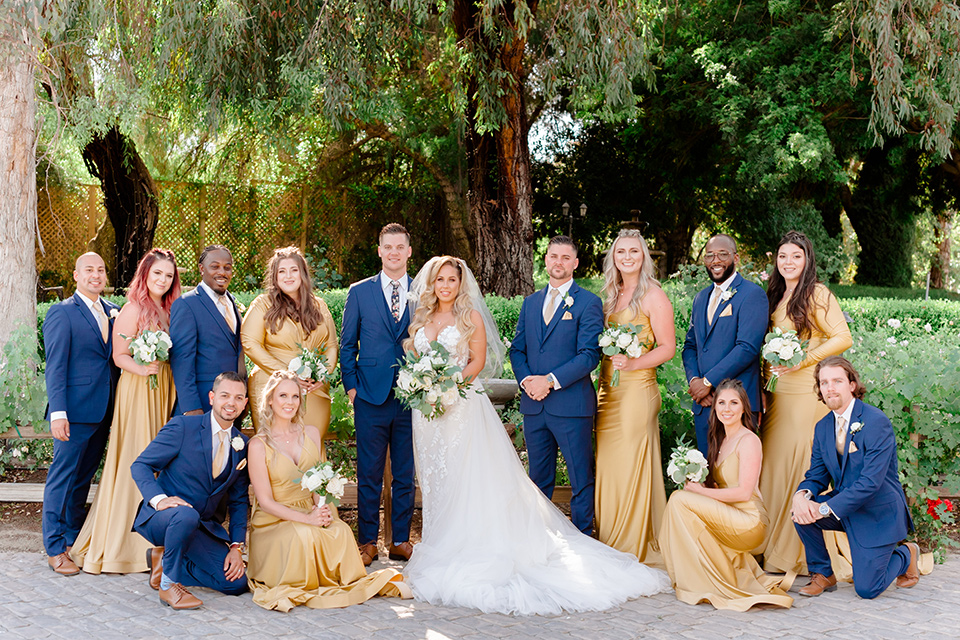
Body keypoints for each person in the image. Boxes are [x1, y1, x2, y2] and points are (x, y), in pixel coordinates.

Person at [404, 256, 671, 615]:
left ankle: (577, 536)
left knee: (562, 476)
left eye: (452, 279)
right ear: (432, 284)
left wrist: (450, 387)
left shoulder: (477, 316)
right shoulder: (436, 316)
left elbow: (481, 361)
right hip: (430, 414)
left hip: (463, 405)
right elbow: (518, 349)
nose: (446, 285)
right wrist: (424, 387)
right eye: (440, 280)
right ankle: (441, 542)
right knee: (441, 480)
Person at [246, 371, 411, 611]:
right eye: (283, 395)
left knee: (340, 531)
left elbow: (318, 481)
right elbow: (265, 501)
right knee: (302, 536)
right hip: (273, 519)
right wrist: (306, 519)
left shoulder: (311, 433)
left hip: (308, 508)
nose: (290, 402)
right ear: (270, 400)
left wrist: (320, 511)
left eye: (295, 396)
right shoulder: (258, 445)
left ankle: (333, 575)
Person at [72, 249, 181, 574]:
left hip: (163, 390)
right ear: (145, 275)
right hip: (138, 391)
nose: (162, 280)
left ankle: (156, 537)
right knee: (139, 455)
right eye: (157, 274)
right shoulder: (133, 309)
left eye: (168, 275)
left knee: (162, 461)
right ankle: (128, 545)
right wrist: (142, 368)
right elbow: (119, 356)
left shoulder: (170, 309)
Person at [757, 231, 852, 575]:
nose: (788, 262)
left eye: (795, 256)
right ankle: (768, 541)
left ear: (807, 259)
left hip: (803, 392)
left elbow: (843, 337)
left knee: (798, 461)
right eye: (782, 256)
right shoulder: (776, 294)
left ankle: (796, 549)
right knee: (773, 463)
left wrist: (804, 359)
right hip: (777, 391)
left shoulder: (818, 293)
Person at [659, 380, 793, 611]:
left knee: (680, 500)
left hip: (750, 520)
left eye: (734, 402)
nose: (727, 408)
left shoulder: (749, 440)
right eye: (721, 402)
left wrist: (702, 493)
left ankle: (694, 576)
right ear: (715, 408)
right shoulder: (720, 440)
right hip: (730, 514)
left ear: (743, 408)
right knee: (682, 498)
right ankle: (695, 573)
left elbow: (743, 492)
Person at [792, 356, 919, 599]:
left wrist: (824, 508)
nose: (830, 388)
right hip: (845, 508)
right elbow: (817, 475)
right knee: (801, 514)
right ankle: (823, 574)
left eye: (837, 381)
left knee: (867, 589)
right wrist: (802, 496)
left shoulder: (875, 421)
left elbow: (871, 483)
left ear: (852, 385)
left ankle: (907, 554)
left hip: (877, 513)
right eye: (824, 382)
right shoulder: (822, 427)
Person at [130, 372, 250, 609]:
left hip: (199, 526)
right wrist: (159, 499)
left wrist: (236, 546)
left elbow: (238, 501)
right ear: (212, 397)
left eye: (238, 398)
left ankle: (163, 561)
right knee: (186, 514)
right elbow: (141, 465)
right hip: (163, 519)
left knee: (235, 584)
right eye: (225, 395)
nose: (231, 403)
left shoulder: (242, 445)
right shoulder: (183, 426)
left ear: (245, 403)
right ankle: (168, 584)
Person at [510, 236, 604, 535]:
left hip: (571, 406)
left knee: (580, 478)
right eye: (553, 256)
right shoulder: (531, 302)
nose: (558, 262)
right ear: (546, 260)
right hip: (534, 406)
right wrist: (527, 381)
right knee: (538, 479)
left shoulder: (589, 302)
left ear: (575, 263)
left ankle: (583, 538)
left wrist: (549, 381)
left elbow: (589, 355)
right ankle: (539, 539)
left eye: (565, 257)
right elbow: (518, 349)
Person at [594, 230, 675, 563]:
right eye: (621, 252)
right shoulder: (610, 296)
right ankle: (609, 537)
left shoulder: (653, 295)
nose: (627, 257)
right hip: (607, 390)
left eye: (634, 251)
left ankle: (632, 545)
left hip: (637, 390)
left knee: (630, 464)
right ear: (613, 257)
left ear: (644, 256)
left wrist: (634, 362)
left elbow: (668, 347)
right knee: (608, 466)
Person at [339, 223, 416, 565]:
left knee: (404, 472)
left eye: (400, 247)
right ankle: (368, 542)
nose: (394, 252)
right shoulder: (360, 291)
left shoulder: (423, 290)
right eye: (389, 247)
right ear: (380, 250)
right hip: (369, 396)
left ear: (409, 252)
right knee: (368, 472)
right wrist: (352, 387)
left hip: (412, 395)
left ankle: (400, 540)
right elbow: (346, 344)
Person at [41, 252, 121, 576]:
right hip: (73, 412)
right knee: (63, 478)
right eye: (89, 270)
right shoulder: (62, 313)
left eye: (100, 270)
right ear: (76, 275)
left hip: (103, 410)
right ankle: (54, 546)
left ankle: (73, 538)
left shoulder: (113, 313)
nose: (96, 275)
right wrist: (58, 412)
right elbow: (55, 366)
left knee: (82, 480)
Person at [241, 247, 338, 446]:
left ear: (302, 273)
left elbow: (331, 345)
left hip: (313, 389)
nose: (288, 276)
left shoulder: (320, 306)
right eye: (282, 271)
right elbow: (249, 342)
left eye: (293, 270)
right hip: (272, 385)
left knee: (310, 445)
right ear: (275, 277)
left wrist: (322, 375)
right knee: (276, 445)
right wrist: (286, 374)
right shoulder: (262, 304)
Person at [681, 234, 768, 457]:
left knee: (736, 476)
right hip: (704, 404)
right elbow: (690, 346)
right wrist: (696, 383)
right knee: (708, 473)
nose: (715, 260)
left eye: (722, 254)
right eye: (710, 255)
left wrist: (708, 382)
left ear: (736, 257)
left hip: (737, 403)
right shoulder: (701, 298)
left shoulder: (752, 294)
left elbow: (747, 347)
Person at [169, 245, 244, 416]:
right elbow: (182, 362)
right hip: (201, 404)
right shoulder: (187, 304)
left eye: (227, 267)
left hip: (231, 405)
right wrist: (191, 407)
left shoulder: (232, 302)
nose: (222, 272)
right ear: (202, 269)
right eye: (215, 266)